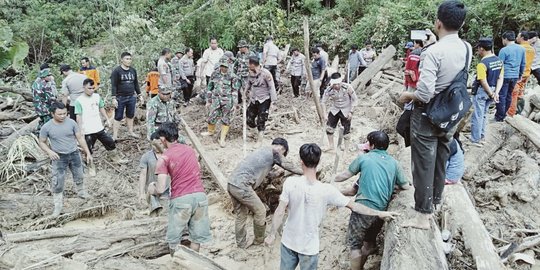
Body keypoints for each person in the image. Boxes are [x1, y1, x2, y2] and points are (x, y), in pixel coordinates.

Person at [264, 143, 399, 270]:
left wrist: (271, 235)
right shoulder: (327, 190)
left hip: (289, 241)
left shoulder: (290, 182)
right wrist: (378, 213)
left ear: (301, 161)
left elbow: (280, 210)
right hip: (309, 247)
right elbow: (356, 207)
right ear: (318, 162)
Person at [398, 0, 471, 229]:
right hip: (450, 115)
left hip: (428, 115)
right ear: (462, 23)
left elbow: (426, 92)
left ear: (437, 23)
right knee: (441, 158)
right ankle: (435, 202)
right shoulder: (466, 48)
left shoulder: (433, 52)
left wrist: (407, 96)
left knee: (423, 163)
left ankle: (422, 215)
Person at [334, 131, 410, 270]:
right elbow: (405, 186)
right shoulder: (394, 163)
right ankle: (363, 261)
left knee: (355, 246)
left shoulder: (365, 159)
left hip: (362, 209)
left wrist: (331, 179)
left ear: (372, 145)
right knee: (368, 244)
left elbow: (345, 175)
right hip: (381, 211)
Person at [148, 122, 212, 253]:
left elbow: (160, 189)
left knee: (174, 240)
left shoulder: (164, 158)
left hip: (181, 200)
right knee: (196, 239)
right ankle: (194, 264)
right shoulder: (190, 150)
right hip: (200, 196)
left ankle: (176, 263)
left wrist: (151, 189)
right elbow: (198, 169)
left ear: (163, 139)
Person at [228, 138, 302, 248]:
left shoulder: (262, 151)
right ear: (282, 148)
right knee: (261, 211)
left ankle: (241, 243)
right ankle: (259, 240)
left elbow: (267, 173)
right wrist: (306, 172)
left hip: (232, 183)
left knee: (241, 215)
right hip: (243, 186)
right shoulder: (275, 152)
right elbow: (289, 166)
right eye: (283, 154)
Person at [38, 102, 92, 217]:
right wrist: (49, 151)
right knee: (58, 181)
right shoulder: (46, 127)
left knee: (79, 174)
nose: (62, 116)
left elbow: (80, 138)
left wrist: (87, 152)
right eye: (59, 114)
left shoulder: (72, 123)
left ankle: (81, 192)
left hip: (74, 153)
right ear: (52, 114)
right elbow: (41, 142)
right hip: (58, 156)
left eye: (64, 113)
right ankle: (58, 206)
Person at [74, 78, 125, 163]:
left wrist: (107, 119)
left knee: (110, 142)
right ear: (84, 88)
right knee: (88, 148)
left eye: (93, 88)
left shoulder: (97, 97)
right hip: (87, 130)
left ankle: (115, 158)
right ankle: (90, 165)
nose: (91, 90)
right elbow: (78, 116)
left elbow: (101, 108)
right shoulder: (79, 101)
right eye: (89, 88)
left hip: (98, 127)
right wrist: (80, 130)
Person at [470, 38, 503, 146]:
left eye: (478, 49)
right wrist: (496, 93)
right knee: (484, 114)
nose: (478, 51)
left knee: (478, 115)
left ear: (482, 49)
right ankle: (482, 136)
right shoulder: (499, 61)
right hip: (493, 89)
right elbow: (500, 78)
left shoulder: (482, 64)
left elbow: (483, 81)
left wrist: (490, 93)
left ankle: (475, 139)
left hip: (483, 92)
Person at [201, 58, 240, 147]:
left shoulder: (232, 76)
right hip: (216, 99)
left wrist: (235, 104)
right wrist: (208, 100)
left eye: (225, 66)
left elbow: (234, 91)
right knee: (212, 116)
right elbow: (210, 87)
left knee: (226, 119)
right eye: (222, 66)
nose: (223, 68)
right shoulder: (215, 74)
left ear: (228, 66)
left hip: (227, 100)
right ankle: (210, 131)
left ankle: (222, 138)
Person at [321, 72, 358, 152]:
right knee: (329, 128)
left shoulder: (348, 87)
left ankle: (346, 148)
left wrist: (351, 112)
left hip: (346, 109)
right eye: (335, 84)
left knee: (346, 131)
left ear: (341, 82)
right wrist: (324, 114)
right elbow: (323, 102)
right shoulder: (329, 89)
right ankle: (331, 146)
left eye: (338, 84)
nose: (337, 86)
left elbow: (355, 99)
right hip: (335, 109)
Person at [110, 52, 143, 140]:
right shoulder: (116, 71)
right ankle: (115, 135)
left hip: (132, 96)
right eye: (127, 59)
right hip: (120, 97)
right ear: (122, 60)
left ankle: (131, 132)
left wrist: (140, 95)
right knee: (118, 116)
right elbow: (113, 85)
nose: (129, 61)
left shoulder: (133, 70)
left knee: (130, 115)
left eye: (130, 59)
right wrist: (113, 98)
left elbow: (136, 83)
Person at [245, 56, 277, 144]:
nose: (248, 66)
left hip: (264, 99)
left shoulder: (266, 73)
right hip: (254, 99)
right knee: (249, 118)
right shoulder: (251, 73)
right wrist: (245, 92)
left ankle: (260, 139)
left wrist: (273, 102)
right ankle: (255, 132)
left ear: (252, 65)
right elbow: (248, 83)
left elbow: (271, 87)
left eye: (249, 64)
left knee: (261, 120)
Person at [495, 31, 525, 122]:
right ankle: (505, 114)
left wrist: (496, 78)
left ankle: (499, 116)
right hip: (515, 76)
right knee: (509, 95)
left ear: (505, 39)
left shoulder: (504, 50)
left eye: (502, 39)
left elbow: (499, 65)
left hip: (505, 76)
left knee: (501, 96)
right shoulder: (521, 49)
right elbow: (523, 63)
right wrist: (520, 74)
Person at [508, 31, 535, 116]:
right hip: (527, 74)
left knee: (513, 94)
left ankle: (511, 113)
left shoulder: (519, 49)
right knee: (520, 94)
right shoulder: (532, 49)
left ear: (522, 38)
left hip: (519, 74)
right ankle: (519, 112)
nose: (516, 38)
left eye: (518, 36)